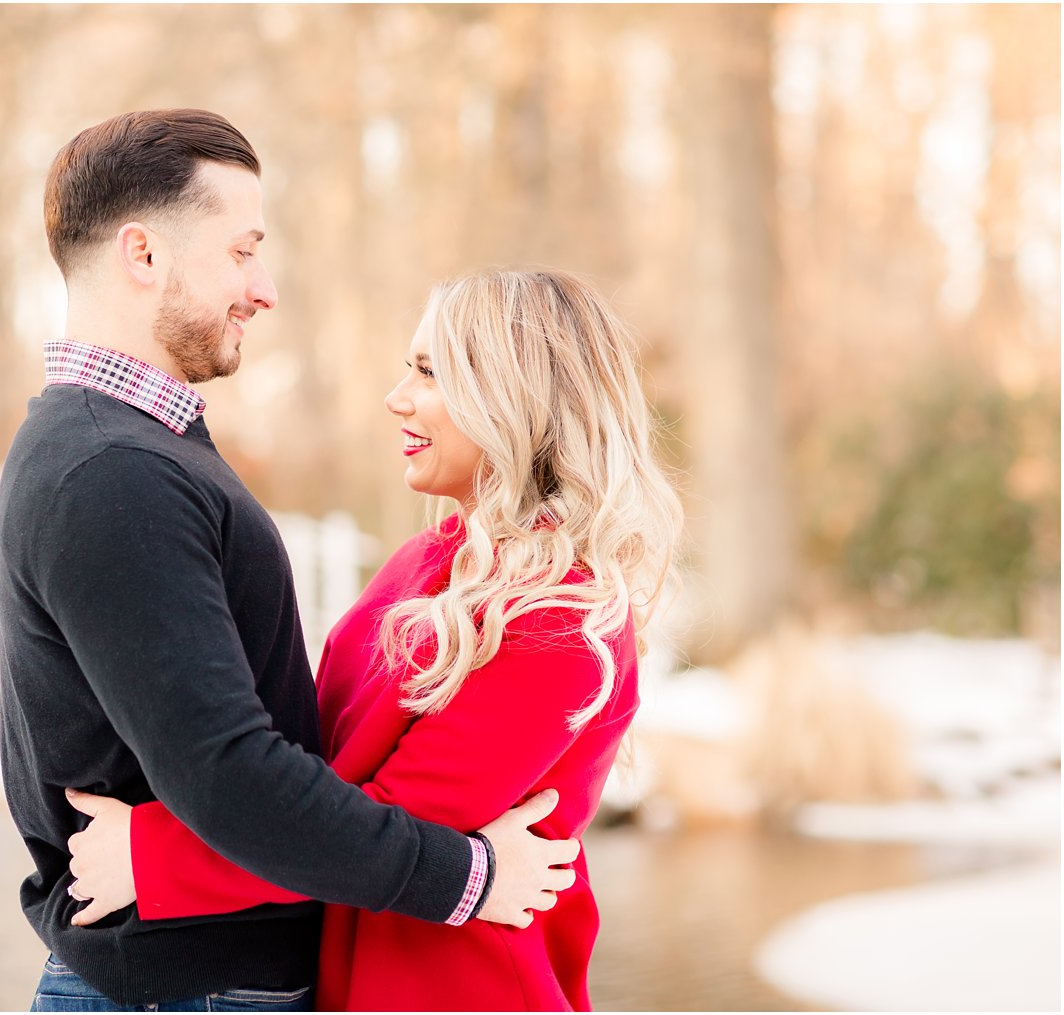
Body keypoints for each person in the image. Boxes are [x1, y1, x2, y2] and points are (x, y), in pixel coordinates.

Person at [0, 110, 578, 1013]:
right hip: (185, 992)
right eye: (241, 251)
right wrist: (470, 877)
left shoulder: (126, 450)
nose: (264, 289)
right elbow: (233, 776)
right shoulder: (113, 471)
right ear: (143, 256)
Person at [63, 268, 685, 1011]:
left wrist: (155, 858)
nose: (398, 397)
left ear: (513, 399)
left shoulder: (561, 619)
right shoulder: (432, 560)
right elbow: (322, 763)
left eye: (429, 372)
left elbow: (394, 813)